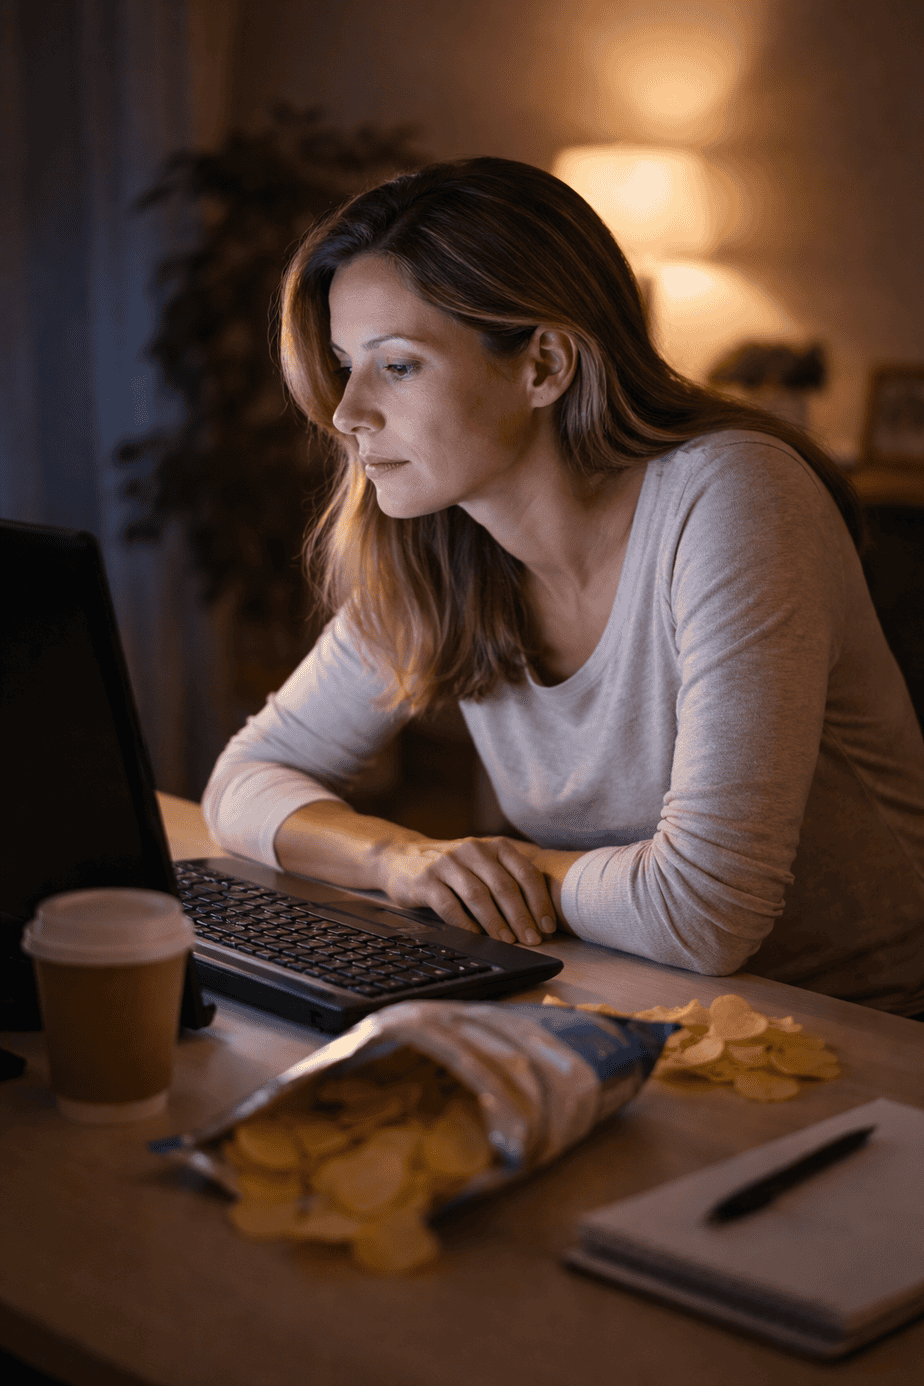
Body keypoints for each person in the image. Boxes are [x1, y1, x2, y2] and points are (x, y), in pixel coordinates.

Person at [202, 157, 924, 1017]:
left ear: (543, 364)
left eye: (397, 367)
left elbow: (704, 912)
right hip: (632, 1001)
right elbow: (245, 780)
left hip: (862, 1030)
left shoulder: (734, 496)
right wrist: (404, 861)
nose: (347, 412)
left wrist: (506, 870)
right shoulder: (438, 548)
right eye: (343, 364)